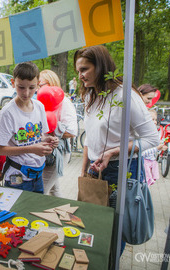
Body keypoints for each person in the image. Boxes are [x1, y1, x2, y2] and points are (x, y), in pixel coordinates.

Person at [74, 45, 159, 184]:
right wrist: (84, 170)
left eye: (84, 69)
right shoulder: (90, 96)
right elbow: (90, 136)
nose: (80, 76)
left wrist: (113, 152)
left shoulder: (125, 95)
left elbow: (152, 138)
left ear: (101, 66)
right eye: (78, 71)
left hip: (122, 167)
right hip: (95, 168)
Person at [0, 62, 59, 193]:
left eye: (32, 87)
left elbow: (39, 136)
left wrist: (48, 140)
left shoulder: (39, 106)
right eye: (21, 87)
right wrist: (32, 149)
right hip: (17, 177)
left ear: (38, 83)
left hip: (38, 175)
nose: (26, 93)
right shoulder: (8, 112)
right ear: (13, 83)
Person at [39, 70, 78, 197]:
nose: (38, 89)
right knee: (54, 190)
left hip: (58, 153)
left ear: (51, 83)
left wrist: (53, 131)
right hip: (46, 152)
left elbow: (72, 131)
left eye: (40, 85)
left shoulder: (65, 102)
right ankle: (60, 214)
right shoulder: (41, 102)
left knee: (41, 191)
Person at [142, 110, 167, 186]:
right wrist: (157, 148)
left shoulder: (153, 133)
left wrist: (160, 148)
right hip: (145, 163)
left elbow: (155, 153)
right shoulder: (144, 135)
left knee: (148, 184)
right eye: (152, 119)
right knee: (145, 184)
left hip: (151, 162)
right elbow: (142, 153)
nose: (155, 122)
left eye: (155, 120)